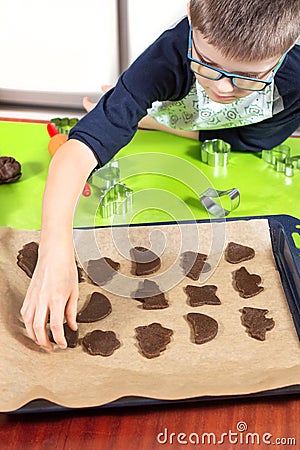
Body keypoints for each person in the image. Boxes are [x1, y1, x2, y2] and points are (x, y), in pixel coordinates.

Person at [21, 0, 300, 351]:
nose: (225, 88)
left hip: (261, 129)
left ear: (288, 47)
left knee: (252, 141)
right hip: (180, 95)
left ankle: (145, 119)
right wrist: (54, 251)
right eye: (209, 65)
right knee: (127, 110)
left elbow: (243, 133)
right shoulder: (166, 59)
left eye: (247, 76)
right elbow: (75, 152)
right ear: (191, 20)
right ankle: (134, 111)